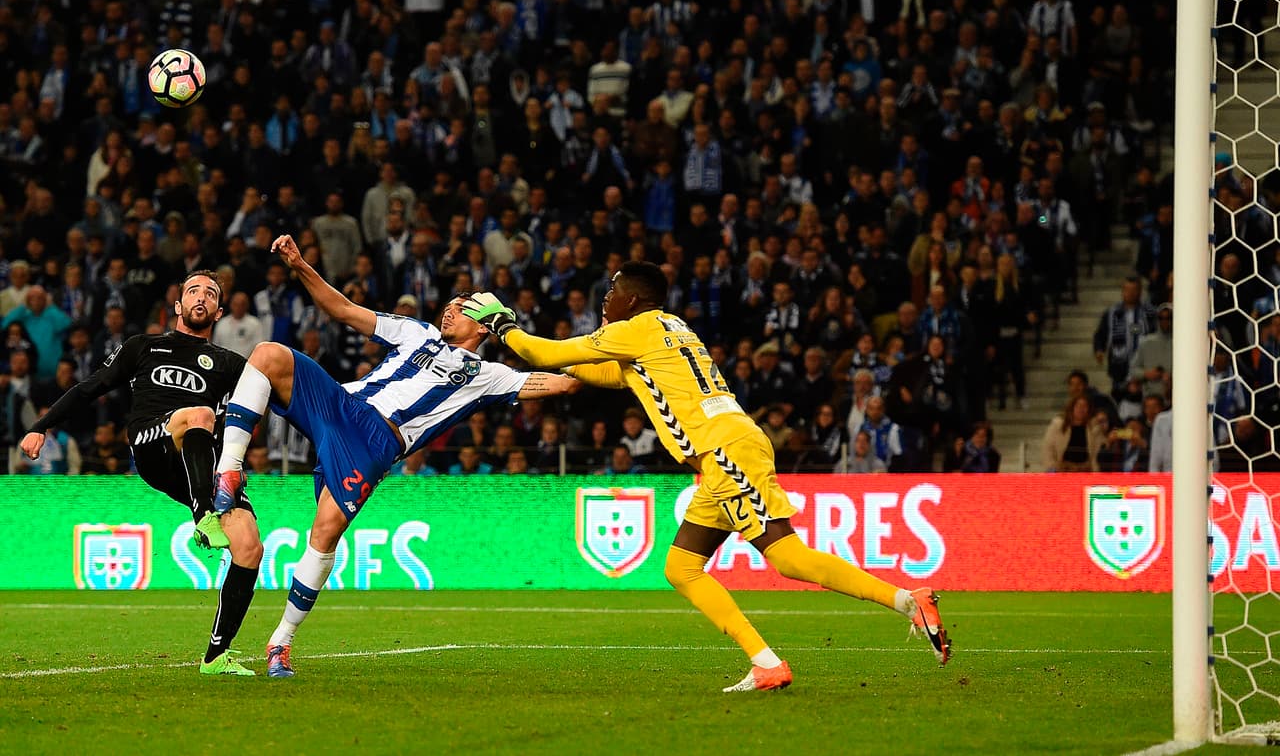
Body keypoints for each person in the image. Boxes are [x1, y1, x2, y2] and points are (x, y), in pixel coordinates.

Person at [463, 261, 950, 692]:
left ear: (633, 299)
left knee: (788, 557)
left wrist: (501, 322)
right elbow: (612, 375)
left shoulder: (638, 328)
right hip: (725, 451)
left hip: (725, 450)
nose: (606, 299)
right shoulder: (670, 328)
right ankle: (766, 664)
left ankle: (908, 601)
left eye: (612, 292)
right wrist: (570, 374)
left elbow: (542, 352)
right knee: (681, 568)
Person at [213, 235, 581, 678]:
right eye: (450, 304)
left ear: (484, 326)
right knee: (268, 353)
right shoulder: (417, 332)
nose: (449, 310)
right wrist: (299, 264)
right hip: (342, 405)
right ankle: (228, 472)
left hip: (375, 443)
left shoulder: (488, 376)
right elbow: (344, 310)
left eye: (462, 308)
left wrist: (604, 360)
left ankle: (281, 642)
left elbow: (561, 383)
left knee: (325, 533)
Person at [19, 270, 261, 676]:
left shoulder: (229, 364)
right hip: (153, 444)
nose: (201, 297)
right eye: (193, 291)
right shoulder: (144, 346)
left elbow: (266, 407)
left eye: (210, 294)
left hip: (201, 464)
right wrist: (41, 425)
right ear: (178, 305)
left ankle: (216, 656)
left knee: (250, 545)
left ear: (219, 311)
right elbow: (90, 387)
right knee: (199, 414)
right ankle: (204, 515)